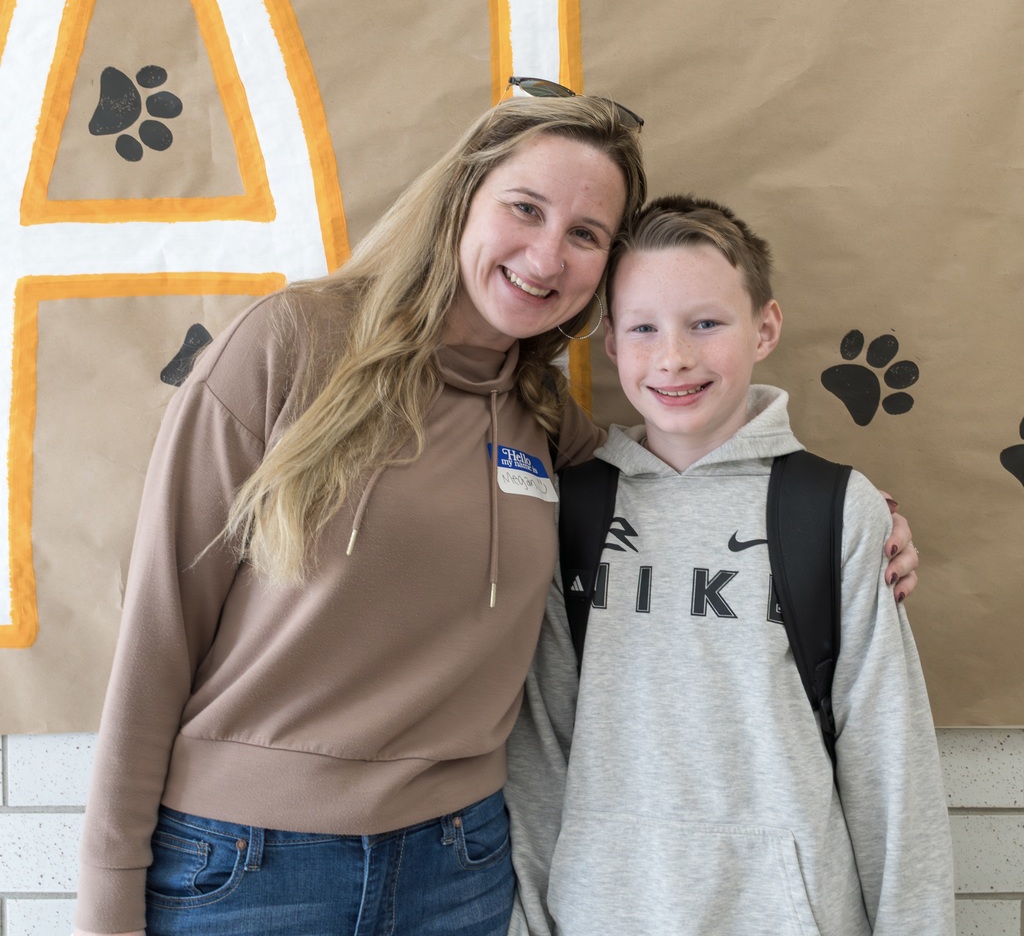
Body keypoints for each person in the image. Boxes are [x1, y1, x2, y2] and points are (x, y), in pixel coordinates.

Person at [73, 91, 918, 936]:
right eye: (525, 209)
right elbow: (157, 632)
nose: (547, 256)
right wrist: (107, 890)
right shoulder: (288, 345)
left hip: (461, 870)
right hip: (249, 864)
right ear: (460, 201)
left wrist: (854, 516)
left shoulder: (547, 418)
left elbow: (680, 483)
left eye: (585, 235)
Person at [505, 195, 953, 935]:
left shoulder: (836, 509)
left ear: (765, 328)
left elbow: (890, 766)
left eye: (705, 323)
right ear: (610, 341)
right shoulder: (566, 510)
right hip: (603, 912)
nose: (674, 356)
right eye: (644, 328)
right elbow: (539, 754)